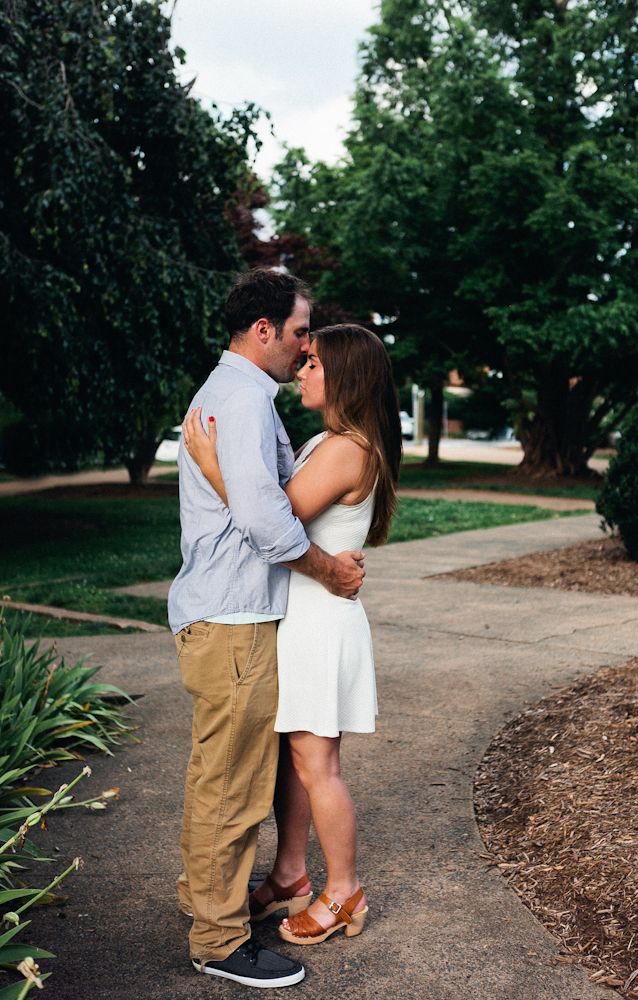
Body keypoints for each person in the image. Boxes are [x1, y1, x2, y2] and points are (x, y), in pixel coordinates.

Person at [168, 270, 366, 989]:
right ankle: (219, 940)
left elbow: (257, 504)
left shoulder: (235, 394)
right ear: (263, 331)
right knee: (232, 788)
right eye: (298, 332)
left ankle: (206, 906)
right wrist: (331, 572)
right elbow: (264, 522)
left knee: (214, 777)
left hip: (222, 615)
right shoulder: (245, 400)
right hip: (234, 620)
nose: (303, 344)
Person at [182, 322, 402, 949]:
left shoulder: (345, 449)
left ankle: (343, 892)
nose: (302, 370)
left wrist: (209, 465)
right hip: (306, 613)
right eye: (303, 359)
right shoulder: (331, 440)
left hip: (318, 622)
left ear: (345, 376)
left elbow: (269, 520)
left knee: (317, 763)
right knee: (296, 761)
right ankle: (289, 874)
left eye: (314, 363)